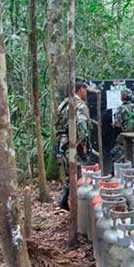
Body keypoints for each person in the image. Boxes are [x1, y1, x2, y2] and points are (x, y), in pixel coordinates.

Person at [54, 79, 92, 211]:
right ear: (80, 89)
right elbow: (82, 125)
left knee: (70, 173)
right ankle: (76, 205)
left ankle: (63, 201)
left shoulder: (63, 104)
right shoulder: (79, 105)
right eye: (85, 89)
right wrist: (82, 142)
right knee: (77, 174)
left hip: (63, 143)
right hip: (74, 145)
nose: (86, 92)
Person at [111, 88, 134, 165]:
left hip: (124, 136)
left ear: (121, 98)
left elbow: (118, 124)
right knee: (133, 155)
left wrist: (114, 124)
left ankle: (118, 173)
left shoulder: (120, 109)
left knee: (117, 156)